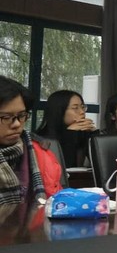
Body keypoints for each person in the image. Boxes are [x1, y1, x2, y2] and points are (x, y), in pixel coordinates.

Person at [0, 76, 63, 205]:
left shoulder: (42, 154)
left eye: (22, 115)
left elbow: (58, 206)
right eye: (6, 117)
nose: (17, 124)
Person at [36, 90, 97, 169]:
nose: (82, 112)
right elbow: (65, 168)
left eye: (83, 107)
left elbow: (101, 165)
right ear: (59, 110)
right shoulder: (41, 139)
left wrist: (94, 133)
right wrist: (69, 134)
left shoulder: (82, 132)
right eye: (75, 108)